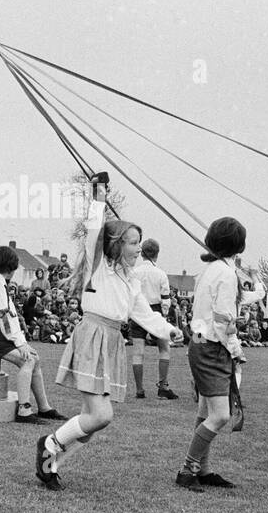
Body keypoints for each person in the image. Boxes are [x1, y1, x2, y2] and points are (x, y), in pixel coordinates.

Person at [37, 173, 182, 491]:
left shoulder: (132, 279)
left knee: (90, 422)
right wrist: (99, 197)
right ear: (115, 245)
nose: (137, 249)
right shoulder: (98, 267)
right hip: (93, 337)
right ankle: (49, 444)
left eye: (139, 244)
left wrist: (168, 330)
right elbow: (93, 233)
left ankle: (51, 465)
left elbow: (143, 312)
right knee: (101, 415)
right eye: (132, 243)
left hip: (113, 342)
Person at [176, 217, 251, 491]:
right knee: (220, 415)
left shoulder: (208, 270)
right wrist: (234, 349)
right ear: (239, 245)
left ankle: (203, 470)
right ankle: (188, 469)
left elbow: (206, 316)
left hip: (200, 343)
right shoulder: (226, 274)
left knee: (205, 409)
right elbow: (222, 320)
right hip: (212, 347)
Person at [0, 245, 63, 423]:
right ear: (11, 267)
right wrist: (20, 343)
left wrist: (20, 340)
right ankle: (24, 410)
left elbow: (9, 317)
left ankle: (44, 408)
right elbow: (4, 317)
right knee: (28, 359)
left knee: (34, 357)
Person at [128, 238, 180, 400]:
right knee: (164, 349)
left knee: (138, 352)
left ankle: (139, 390)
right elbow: (165, 300)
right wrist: (163, 317)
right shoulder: (160, 274)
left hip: (137, 313)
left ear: (142, 253)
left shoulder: (134, 272)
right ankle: (162, 387)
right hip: (155, 310)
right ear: (157, 254)